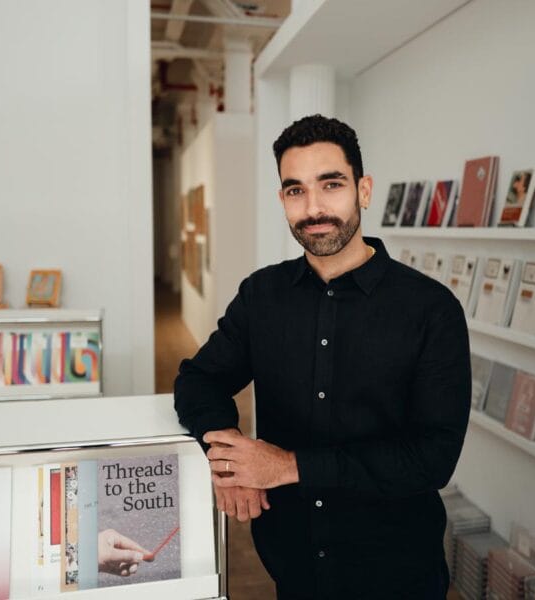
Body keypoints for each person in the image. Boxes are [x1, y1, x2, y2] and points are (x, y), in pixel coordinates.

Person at [174, 114, 471, 600]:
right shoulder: (262, 295)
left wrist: (289, 466)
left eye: (330, 184)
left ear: (364, 190)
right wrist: (229, 456)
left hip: (395, 571)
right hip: (291, 564)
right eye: (295, 190)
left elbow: (433, 458)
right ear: (282, 199)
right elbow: (198, 379)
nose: (313, 208)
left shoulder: (431, 309)